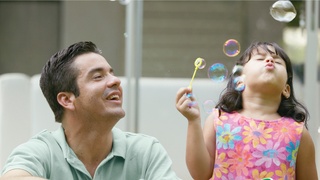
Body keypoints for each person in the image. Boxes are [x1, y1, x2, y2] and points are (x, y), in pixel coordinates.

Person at [1, 41, 181, 180]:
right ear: (66, 99)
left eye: (111, 73)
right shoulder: (41, 150)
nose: (115, 81)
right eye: (98, 77)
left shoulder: (146, 150)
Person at [175, 42, 318, 180]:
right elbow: (200, 174)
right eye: (260, 58)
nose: (269, 60)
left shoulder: (297, 133)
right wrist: (193, 121)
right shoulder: (218, 120)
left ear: (286, 90)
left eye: (278, 61)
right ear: (239, 81)